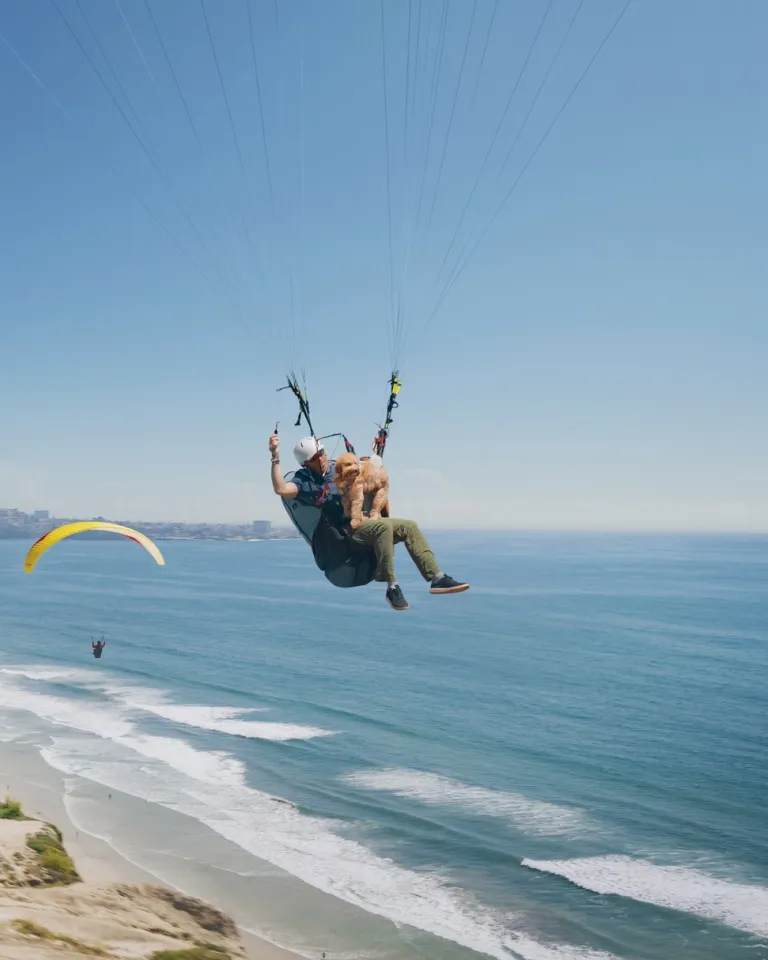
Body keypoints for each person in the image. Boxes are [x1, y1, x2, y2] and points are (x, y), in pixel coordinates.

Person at [269, 433, 469, 610]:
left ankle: (437, 578)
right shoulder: (306, 483)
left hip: (363, 519)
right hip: (347, 530)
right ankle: (392, 587)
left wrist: (376, 452)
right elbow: (281, 489)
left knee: (410, 526)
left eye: (321, 452)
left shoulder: (335, 468)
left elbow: (366, 472)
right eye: (314, 457)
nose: (321, 458)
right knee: (382, 528)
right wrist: (275, 456)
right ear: (305, 464)